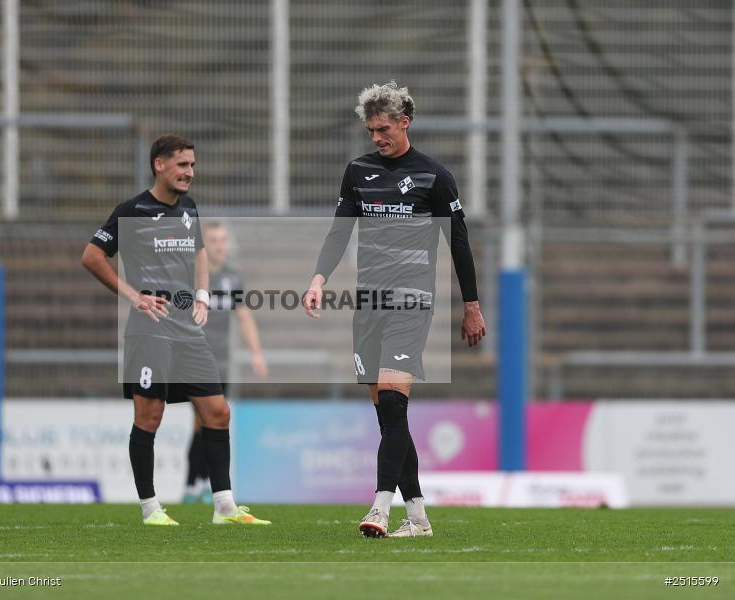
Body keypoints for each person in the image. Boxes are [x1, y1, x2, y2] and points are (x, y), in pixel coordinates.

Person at [302, 82, 486, 538]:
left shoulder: (434, 176)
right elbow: (339, 230)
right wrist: (318, 278)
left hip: (412, 300)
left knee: (391, 398)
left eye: (383, 129)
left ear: (405, 122)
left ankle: (380, 508)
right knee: (389, 415)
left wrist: (471, 306)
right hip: (368, 303)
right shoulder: (358, 171)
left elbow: (458, 242)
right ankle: (419, 517)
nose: (376, 138)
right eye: (371, 130)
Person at [81, 134, 270, 527]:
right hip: (149, 331)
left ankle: (224, 508)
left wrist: (201, 294)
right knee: (149, 416)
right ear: (159, 165)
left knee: (218, 412)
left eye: (193, 166)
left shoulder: (189, 208)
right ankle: (151, 508)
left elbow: (199, 250)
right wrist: (134, 296)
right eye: (183, 165)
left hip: (188, 330)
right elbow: (92, 256)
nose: (190, 173)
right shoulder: (132, 211)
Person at [183, 221, 268, 503]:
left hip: (221, 363)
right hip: (194, 360)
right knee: (203, 420)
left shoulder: (232, 277)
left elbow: (243, 316)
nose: (219, 245)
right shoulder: (191, 277)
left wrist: (256, 353)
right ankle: (196, 483)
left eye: (223, 240)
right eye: (213, 240)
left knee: (210, 422)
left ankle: (198, 484)